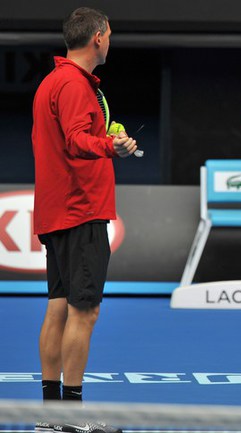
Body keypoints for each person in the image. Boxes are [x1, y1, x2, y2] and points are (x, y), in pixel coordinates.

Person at [32, 7, 137, 433]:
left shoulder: (52, 82)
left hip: (57, 211)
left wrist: (104, 138)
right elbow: (76, 141)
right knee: (84, 312)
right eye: (109, 35)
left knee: (58, 307)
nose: (110, 41)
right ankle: (72, 419)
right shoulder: (74, 84)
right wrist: (113, 147)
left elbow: (66, 139)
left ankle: (50, 416)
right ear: (97, 38)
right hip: (81, 210)